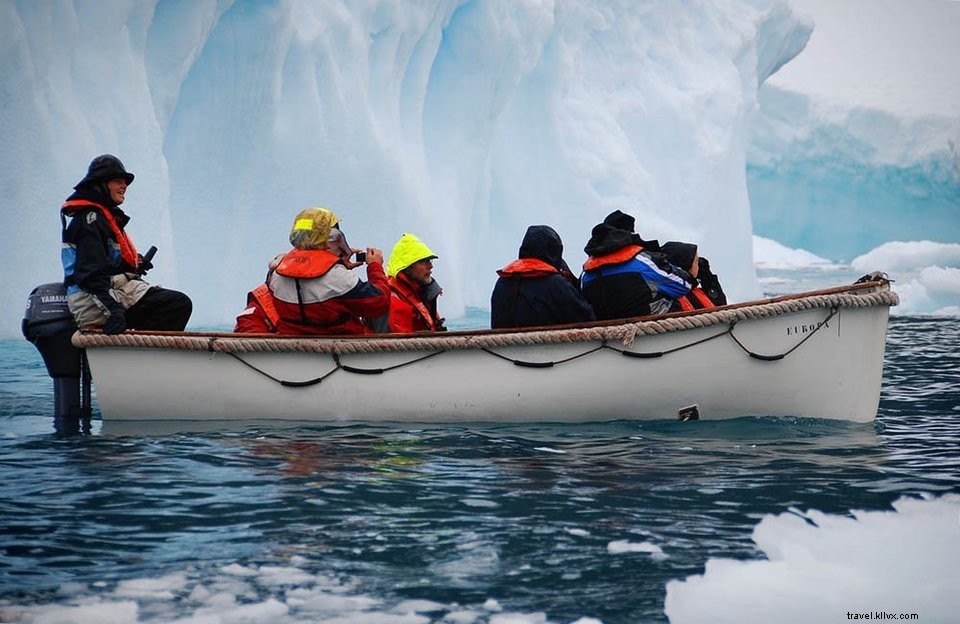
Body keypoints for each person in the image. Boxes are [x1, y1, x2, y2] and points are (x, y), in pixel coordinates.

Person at [61, 154, 192, 334]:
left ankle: (138, 354)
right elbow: (90, 276)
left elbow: (104, 264)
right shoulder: (90, 221)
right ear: (100, 184)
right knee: (176, 304)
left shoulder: (101, 219)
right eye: (117, 181)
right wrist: (115, 311)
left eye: (125, 182)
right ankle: (141, 356)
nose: (124, 186)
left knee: (173, 304)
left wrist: (134, 265)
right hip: (93, 301)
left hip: (106, 295)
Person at [233, 207, 390, 334]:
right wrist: (374, 266)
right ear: (332, 237)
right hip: (339, 356)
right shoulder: (338, 278)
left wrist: (338, 265)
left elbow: (310, 280)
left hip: (291, 350)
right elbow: (379, 302)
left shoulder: (276, 273)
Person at [580, 210, 694, 320]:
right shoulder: (642, 260)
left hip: (607, 333)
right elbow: (684, 285)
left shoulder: (586, 273)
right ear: (628, 234)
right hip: (651, 331)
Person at [491, 225, 596, 328]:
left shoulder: (502, 282)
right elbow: (586, 318)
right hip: (546, 344)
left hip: (504, 343)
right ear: (554, 251)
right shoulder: (556, 284)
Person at [385, 233, 446, 333]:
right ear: (407, 267)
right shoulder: (394, 298)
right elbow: (401, 344)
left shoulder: (419, 292)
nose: (430, 266)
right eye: (423, 261)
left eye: (430, 261)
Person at [660, 241, 728, 311]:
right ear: (686, 266)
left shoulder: (694, 292)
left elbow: (721, 307)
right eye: (696, 261)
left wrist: (707, 278)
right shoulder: (669, 299)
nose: (698, 265)